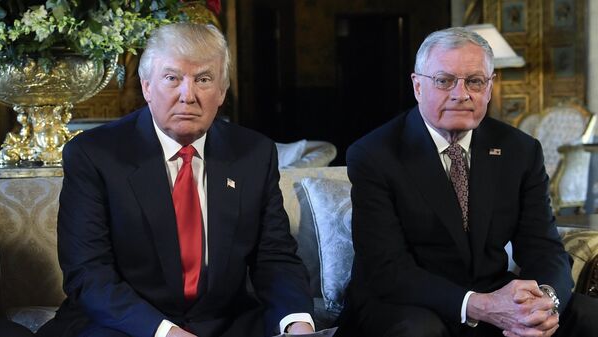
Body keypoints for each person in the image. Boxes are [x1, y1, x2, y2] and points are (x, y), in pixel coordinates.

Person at [36, 23, 315, 337]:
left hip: (225, 324)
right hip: (124, 325)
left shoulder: (253, 153)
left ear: (222, 91)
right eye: (172, 78)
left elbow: (274, 257)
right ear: (146, 87)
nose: (188, 95)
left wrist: (296, 322)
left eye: (203, 79)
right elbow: (89, 275)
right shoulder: (94, 155)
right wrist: (167, 333)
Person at [336, 27, 598, 337]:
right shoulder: (375, 154)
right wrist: (480, 305)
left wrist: (544, 302)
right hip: (405, 301)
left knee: (587, 315)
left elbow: (543, 247)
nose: (461, 94)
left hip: (491, 293)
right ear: (418, 86)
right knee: (421, 331)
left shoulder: (520, 150)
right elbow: (389, 269)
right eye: (444, 81)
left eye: (474, 81)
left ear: (489, 88)